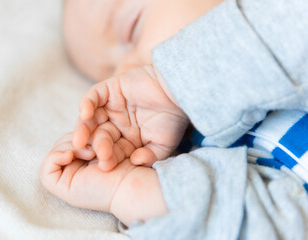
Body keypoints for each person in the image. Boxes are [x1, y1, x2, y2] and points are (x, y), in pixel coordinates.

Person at [40, 0, 308, 239]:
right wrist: (128, 186)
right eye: (108, 74)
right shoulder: (207, 160)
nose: (123, 73)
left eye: (132, 28)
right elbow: (266, 227)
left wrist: (175, 81)